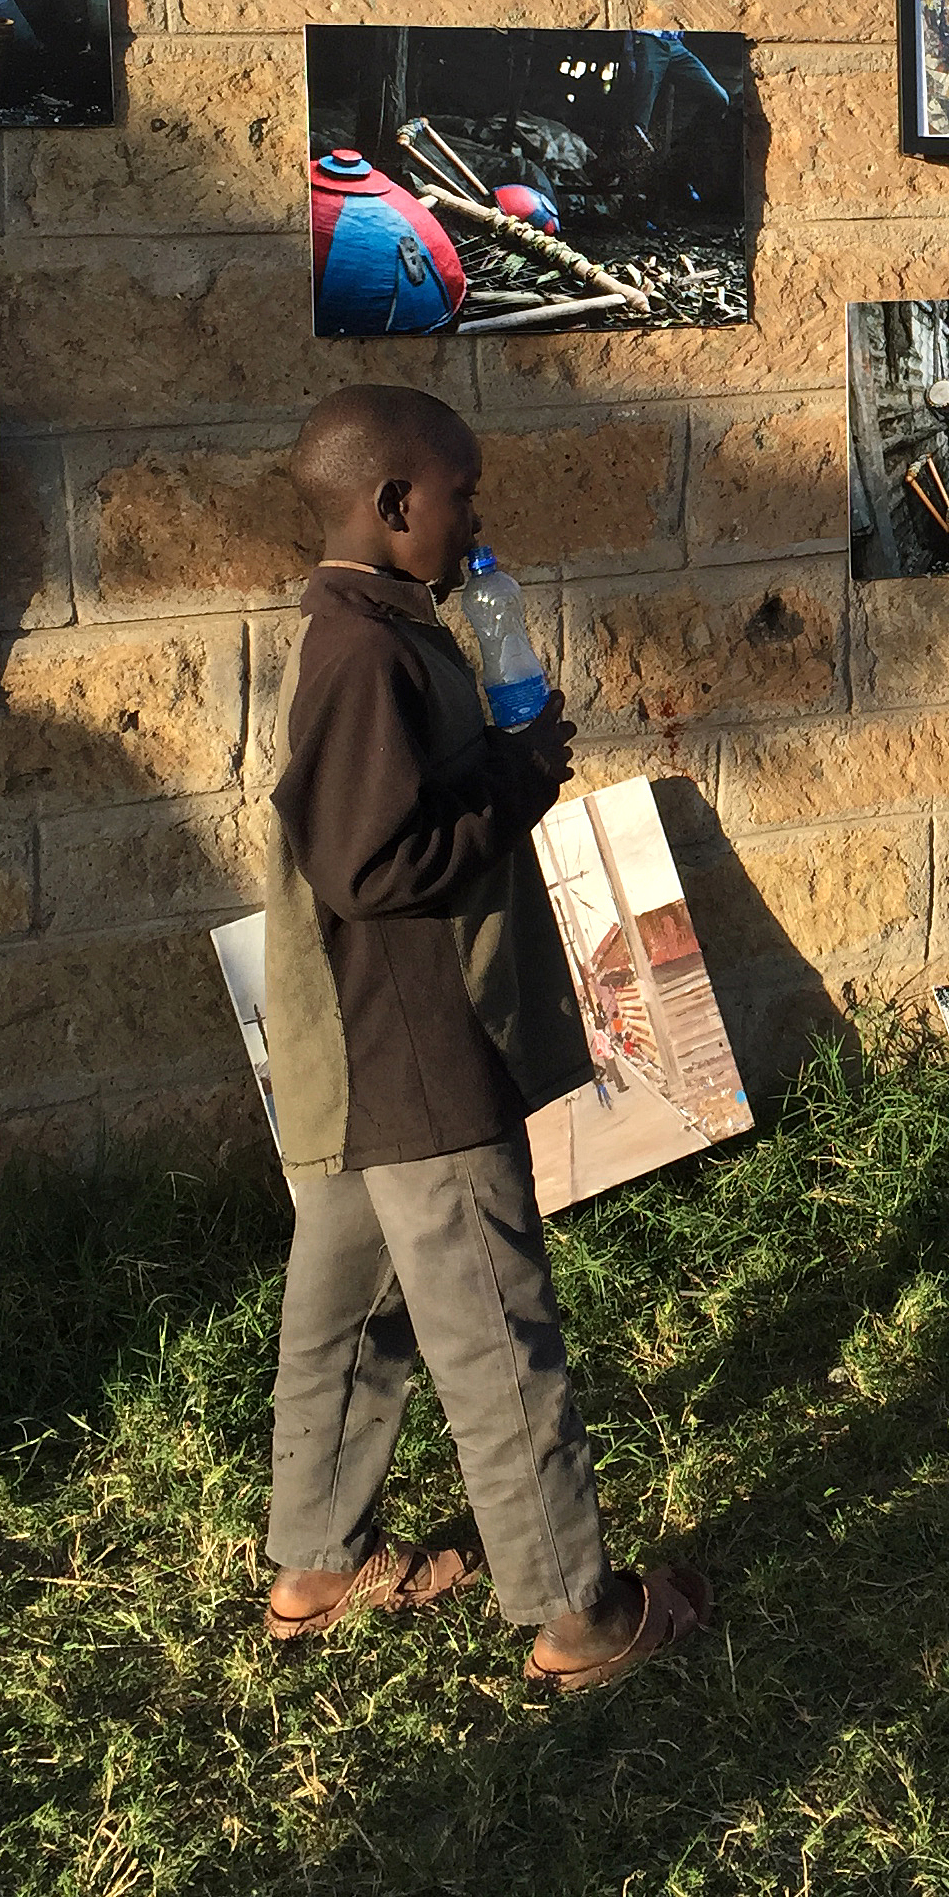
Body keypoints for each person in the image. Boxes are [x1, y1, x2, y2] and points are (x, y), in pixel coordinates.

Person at [260, 381, 709, 1687]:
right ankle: (582, 1617)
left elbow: (375, 829)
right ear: (395, 502)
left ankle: (318, 1563)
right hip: (418, 1048)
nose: (476, 517)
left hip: (361, 1048)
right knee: (494, 1332)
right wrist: (515, 780)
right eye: (462, 494)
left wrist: (501, 764)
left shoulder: (370, 628)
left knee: (349, 1315)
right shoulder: (367, 655)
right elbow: (370, 864)